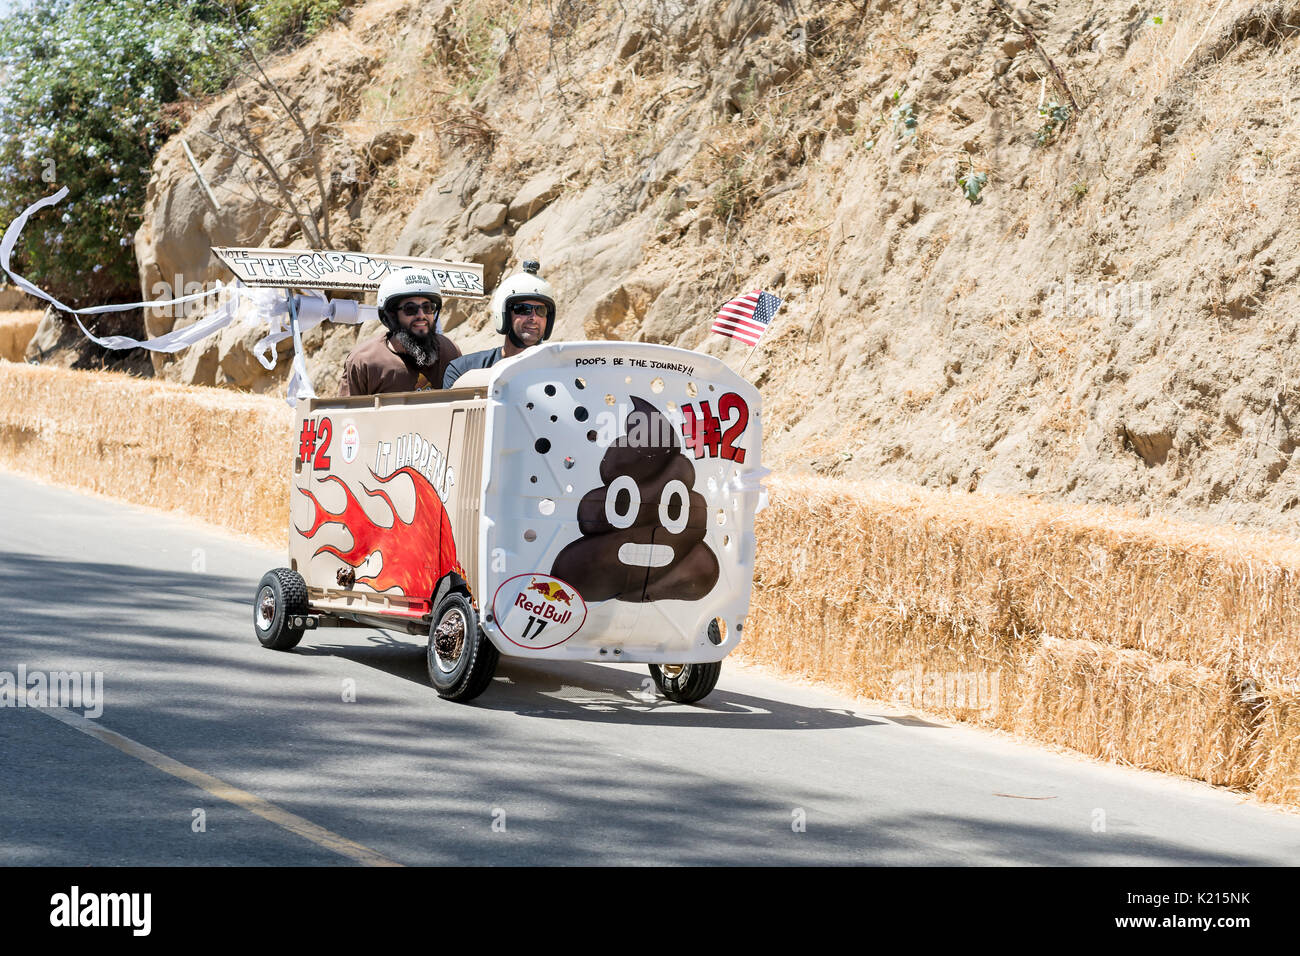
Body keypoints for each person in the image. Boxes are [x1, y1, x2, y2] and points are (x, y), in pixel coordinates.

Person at [340, 267, 462, 396]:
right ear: (391, 316)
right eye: (410, 309)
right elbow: (346, 414)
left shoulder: (450, 351)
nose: (421, 315)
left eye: (427, 307)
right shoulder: (364, 361)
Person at [442, 261, 556, 388]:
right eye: (523, 309)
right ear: (505, 315)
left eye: (541, 310)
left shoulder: (563, 372)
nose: (533, 318)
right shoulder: (462, 370)